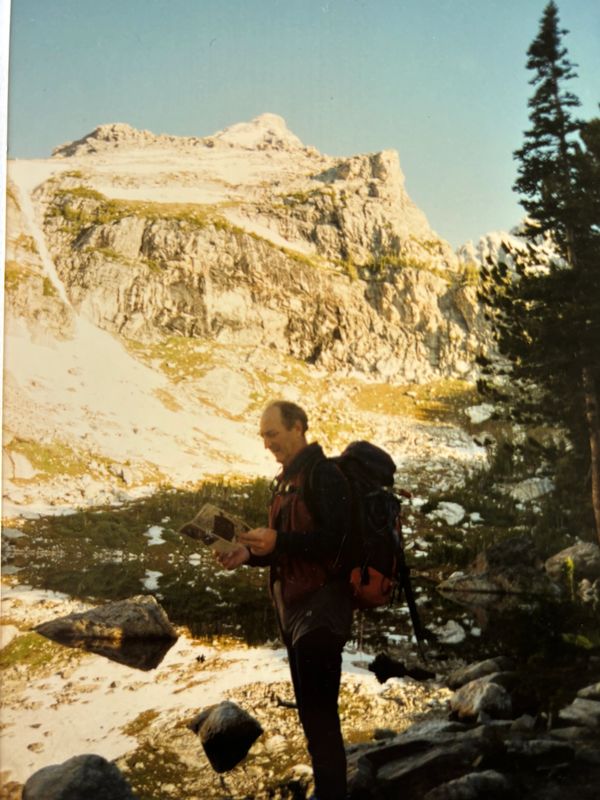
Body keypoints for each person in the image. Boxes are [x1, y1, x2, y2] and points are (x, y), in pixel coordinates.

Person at [218, 400, 352, 800]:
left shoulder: (325, 476)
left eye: (272, 434)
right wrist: (249, 555)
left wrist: (281, 541)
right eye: (262, 437)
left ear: (298, 427)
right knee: (315, 722)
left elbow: (341, 543)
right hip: (295, 615)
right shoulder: (285, 482)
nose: (266, 444)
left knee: (321, 722)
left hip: (322, 614)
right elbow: (288, 550)